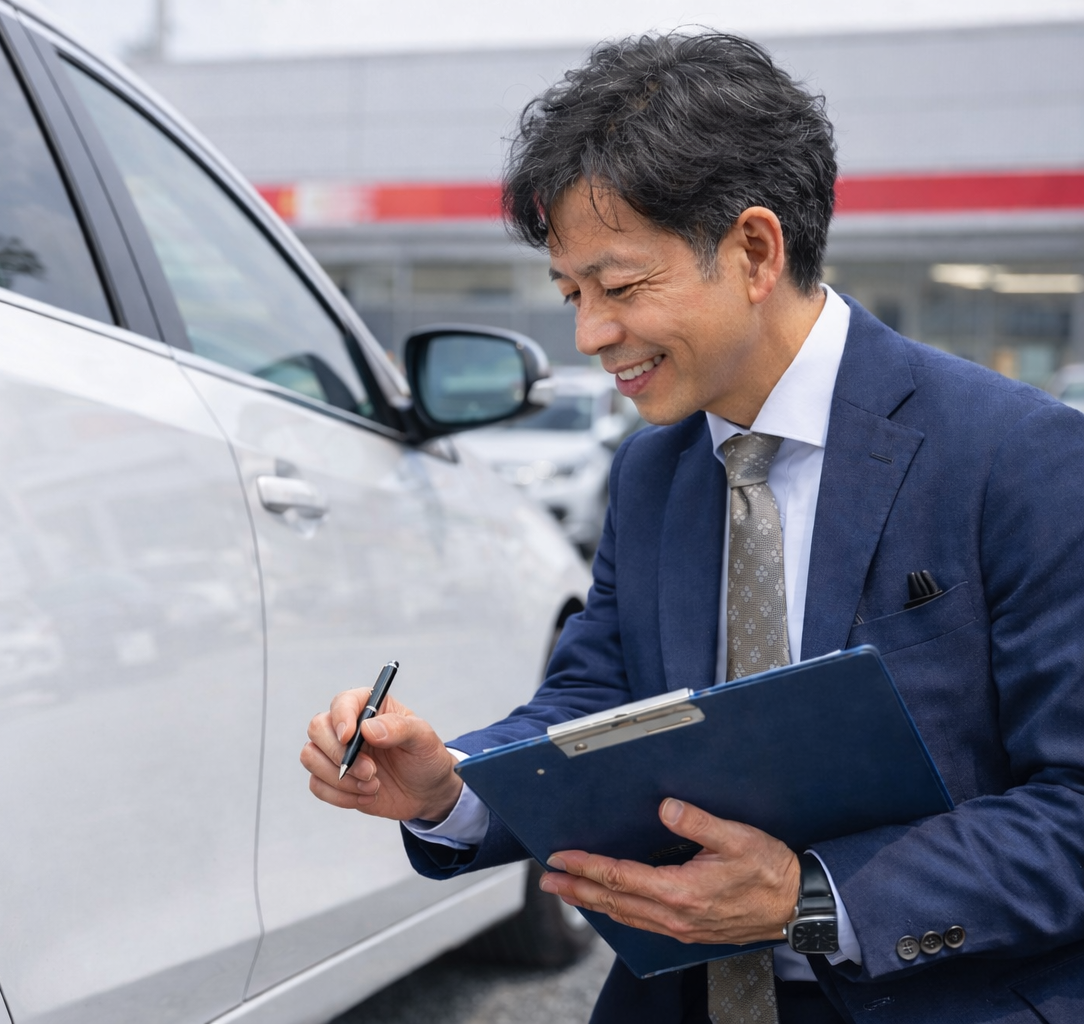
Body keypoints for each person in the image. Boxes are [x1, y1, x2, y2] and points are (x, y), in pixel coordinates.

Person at [301, 32, 1084, 1024]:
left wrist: (807, 897)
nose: (589, 336)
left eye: (620, 288)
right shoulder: (653, 468)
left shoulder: (1018, 459)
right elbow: (596, 699)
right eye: (571, 294)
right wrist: (451, 787)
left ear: (755, 251)